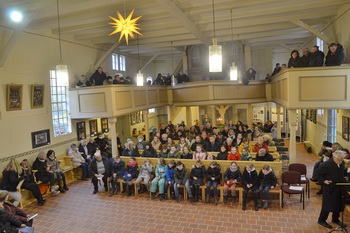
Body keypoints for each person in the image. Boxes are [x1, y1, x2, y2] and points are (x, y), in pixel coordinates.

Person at [316, 150, 348, 229]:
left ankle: (335, 219)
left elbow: (343, 172)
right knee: (327, 205)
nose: (340, 162)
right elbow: (317, 174)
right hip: (330, 188)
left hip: (339, 187)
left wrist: (345, 176)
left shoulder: (341, 163)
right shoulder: (326, 165)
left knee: (338, 204)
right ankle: (322, 220)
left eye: (341, 160)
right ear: (334, 157)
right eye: (339, 160)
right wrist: (324, 181)